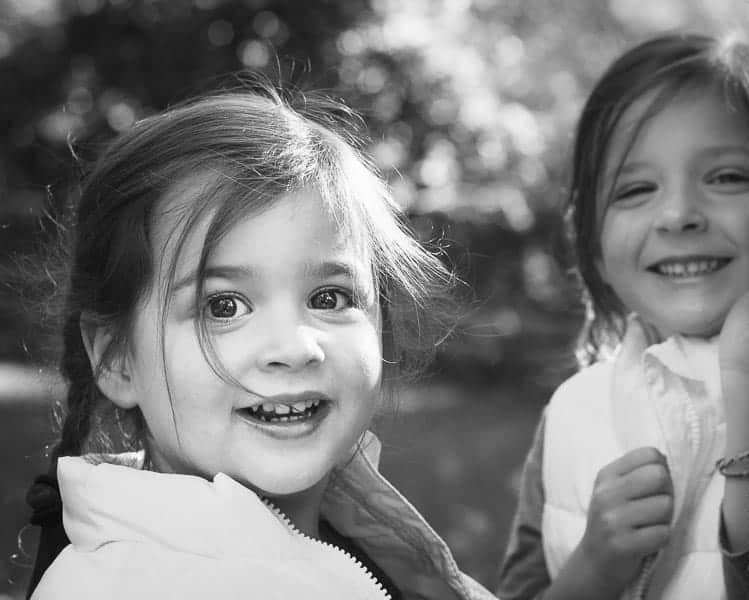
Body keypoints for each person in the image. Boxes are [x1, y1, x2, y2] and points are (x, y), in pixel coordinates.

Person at [23, 82, 495, 600]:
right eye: (223, 307)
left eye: (330, 298)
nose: (294, 348)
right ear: (117, 358)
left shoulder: (360, 544)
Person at [496, 32, 749, 600]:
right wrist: (593, 569)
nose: (680, 214)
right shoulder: (571, 411)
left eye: (728, 177)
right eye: (636, 189)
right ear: (593, 249)